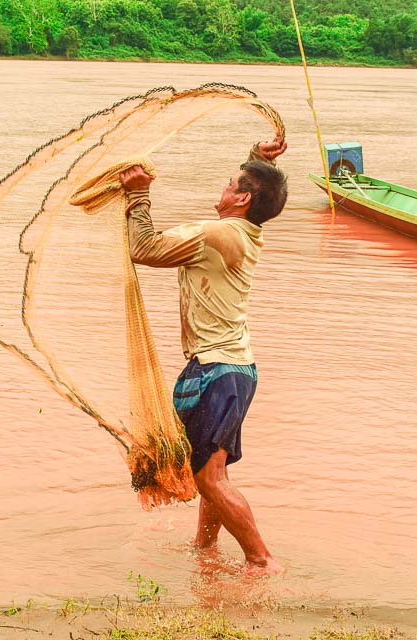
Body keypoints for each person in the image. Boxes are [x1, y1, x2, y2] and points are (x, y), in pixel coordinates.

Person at [118, 135, 288, 573]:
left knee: (208, 478)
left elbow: (143, 249)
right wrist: (257, 161)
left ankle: (262, 561)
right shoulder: (243, 229)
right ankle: (205, 551)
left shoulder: (216, 234)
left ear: (242, 198)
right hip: (233, 368)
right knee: (212, 475)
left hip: (219, 372)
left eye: (230, 183)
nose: (222, 187)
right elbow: (252, 191)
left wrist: (138, 194)